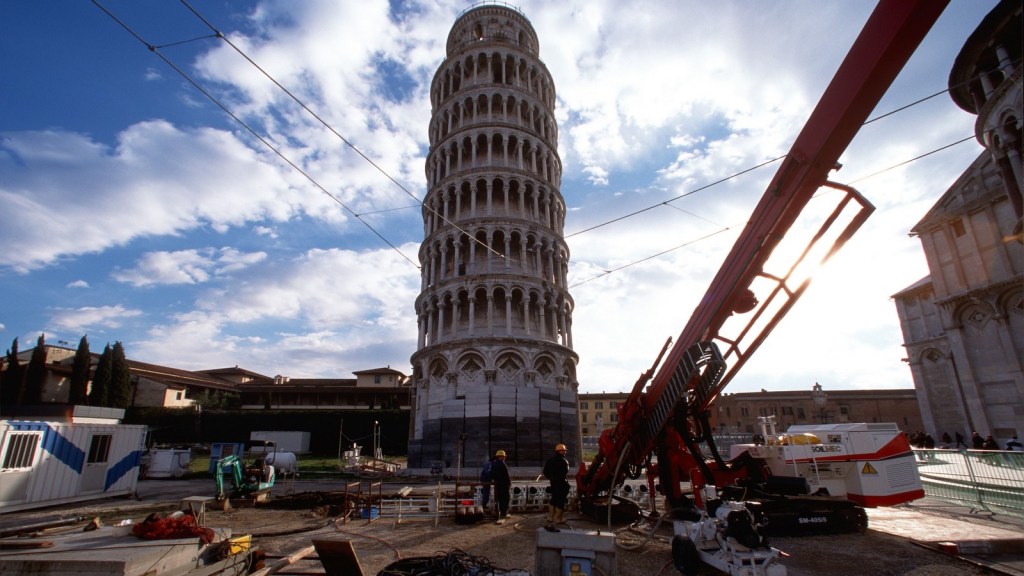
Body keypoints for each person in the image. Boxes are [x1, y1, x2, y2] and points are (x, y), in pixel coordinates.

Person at [543, 443, 570, 532]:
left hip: (553, 483)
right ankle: (558, 519)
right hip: (561, 483)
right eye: (564, 451)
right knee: (560, 500)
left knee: (553, 498)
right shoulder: (564, 461)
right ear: (560, 451)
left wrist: (551, 478)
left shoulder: (550, 460)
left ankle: (550, 517)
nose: (565, 452)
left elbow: (545, 472)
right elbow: (565, 473)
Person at [490, 449, 512, 524]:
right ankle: (504, 513)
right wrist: (509, 484)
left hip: (497, 485)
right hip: (504, 485)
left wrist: (496, 480)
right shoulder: (502, 464)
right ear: (502, 457)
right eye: (503, 456)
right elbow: (506, 475)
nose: (504, 457)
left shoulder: (494, 464)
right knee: (506, 499)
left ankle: (502, 512)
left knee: (500, 499)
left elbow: (491, 474)